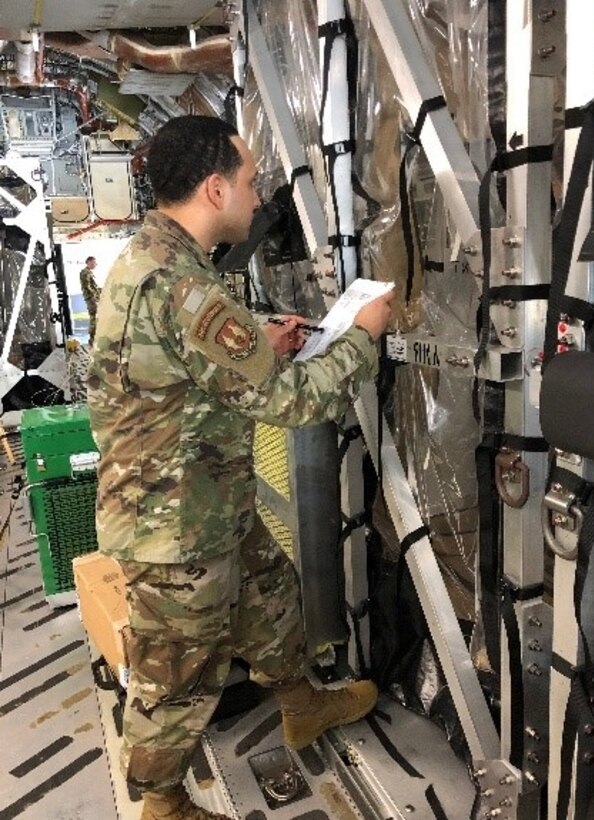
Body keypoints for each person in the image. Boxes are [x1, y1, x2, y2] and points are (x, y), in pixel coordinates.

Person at [87, 115, 394, 820]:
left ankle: (302, 705)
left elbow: (178, 362)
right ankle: (164, 805)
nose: (259, 199)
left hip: (202, 501)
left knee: (271, 596)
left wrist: (255, 339)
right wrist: (364, 338)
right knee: (177, 677)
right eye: (251, 183)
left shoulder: (159, 262)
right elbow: (292, 404)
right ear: (215, 188)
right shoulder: (182, 286)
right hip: (173, 527)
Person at [79, 255, 101, 345]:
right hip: (91, 299)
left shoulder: (88, 272)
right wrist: (94, 296)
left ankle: (94, 338)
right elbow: (87, 287)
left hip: (93, 298)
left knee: (95, 318)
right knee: (94, 318)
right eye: (94, 262)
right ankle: (92, 339)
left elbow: (93, 287)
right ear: (89, 262)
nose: (96, 264)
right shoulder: (85, 273)